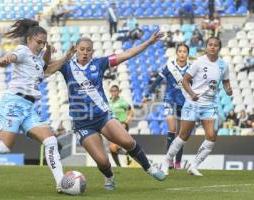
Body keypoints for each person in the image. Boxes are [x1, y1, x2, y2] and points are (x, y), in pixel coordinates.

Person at [0, 19, 74, 193]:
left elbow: (47, 68)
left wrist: (64, 57)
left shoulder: (36, 61)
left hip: (28, 107)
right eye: (38, 42)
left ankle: (61, 183)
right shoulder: (23, 51)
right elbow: (13, 57)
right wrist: (6, 59)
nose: (41, 46)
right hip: (13, 102)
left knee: (50, 141)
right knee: (2, 148)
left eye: (44, 43)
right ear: (28, 39)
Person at [44, 32, 167, 191]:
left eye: (88, 50)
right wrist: (52, 53)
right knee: (102, 161)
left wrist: (149, 42)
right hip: (83, 123)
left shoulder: (100, 63)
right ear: (76, 49)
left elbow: (127, 54)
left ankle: (149, 167)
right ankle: (109, 177)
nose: (85, 53)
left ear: (93, 51)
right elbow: (45, 69)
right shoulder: (66, 65)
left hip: (103, 116)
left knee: (128, 142)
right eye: (82, 49)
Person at [161, 37, 232, 176]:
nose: (212, 47)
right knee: (183, 136)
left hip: (209, 105)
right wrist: (191, 94)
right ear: (206, 47)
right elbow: (185, 81)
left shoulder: (223, 65)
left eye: (215, 45)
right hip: (193, 103)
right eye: (210, 45)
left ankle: (193, 166)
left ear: (219, 48)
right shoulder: (199, 62)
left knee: (211, 136)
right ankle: (166, 161)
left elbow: (226, 82)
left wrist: (228, 89)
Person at [144, 44, 191, 169]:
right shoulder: (170, 67)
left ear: (188, 54)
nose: (182, 54)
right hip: (169, 100)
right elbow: (157, 81)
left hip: (184, 102)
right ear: (176, 53)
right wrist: (148, 93)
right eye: (180, 51)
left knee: (182, 134)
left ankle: (178, 162)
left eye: (184, 51)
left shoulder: (192, 68)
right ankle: (169, 159)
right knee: (172, 129)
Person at [108, 85, 134, 167]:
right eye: (112, 91)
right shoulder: (109, 102)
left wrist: (126, 122)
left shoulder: (122, 102)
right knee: (112, 147)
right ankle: (120, 163)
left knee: (115, 146)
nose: (114, 92)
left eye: (115, 90)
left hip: (122, 125)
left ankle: (127, 155)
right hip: (112, 126)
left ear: (118, 92)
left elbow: (131, 112)